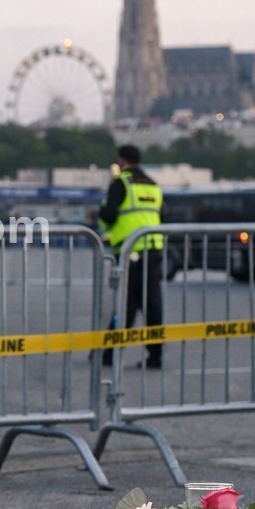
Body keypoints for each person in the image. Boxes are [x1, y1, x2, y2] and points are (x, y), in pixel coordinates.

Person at [98, 144, 164, 368]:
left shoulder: (122, 183)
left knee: (125, 304)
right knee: (152, 305)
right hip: (153, 249)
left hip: (130, 251)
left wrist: (100, 210)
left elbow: (109, 215)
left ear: (122, 160)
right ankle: (155, 356)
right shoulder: (153, 185)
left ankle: (109, 353)